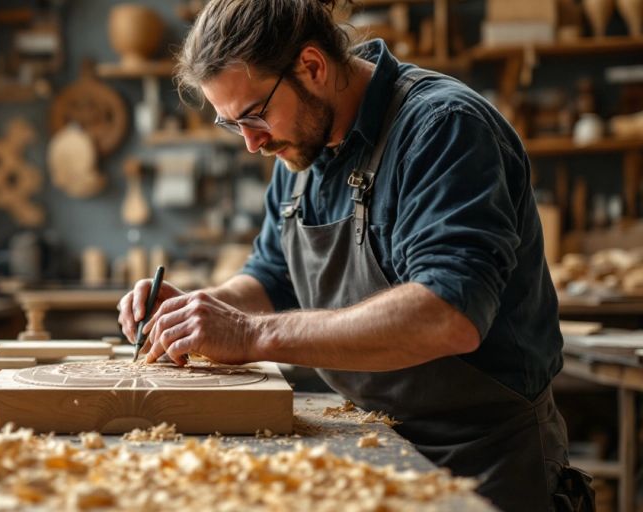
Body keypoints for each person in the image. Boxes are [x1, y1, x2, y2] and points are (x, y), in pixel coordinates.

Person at [117, 0, 595, 509]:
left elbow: (448, 316)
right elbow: (271, 278)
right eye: (233, 125)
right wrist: (194, 310)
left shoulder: (442, 128)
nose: (252, 144)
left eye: (254, 115)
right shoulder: (299, 148)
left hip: (484, 458)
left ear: (313, 66)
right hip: (371, 443)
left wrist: (249, 334)